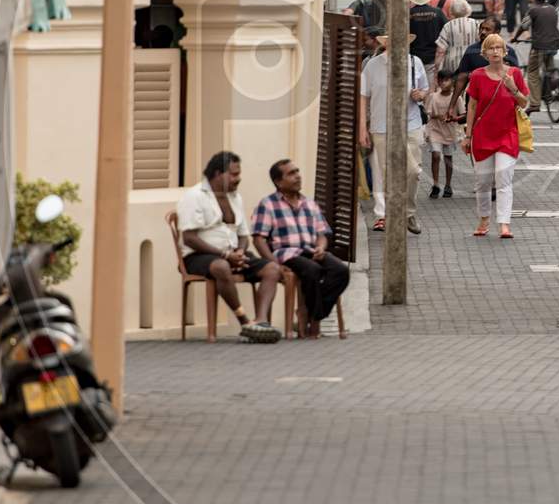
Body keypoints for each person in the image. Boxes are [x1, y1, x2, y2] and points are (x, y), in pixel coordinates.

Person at [177, 152, 285, 343]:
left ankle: (260, 322)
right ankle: (245, 322)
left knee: (272, 268)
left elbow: (243, 234)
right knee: (221, 267)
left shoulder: (235, 197)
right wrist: (225, 255)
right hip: (198, 256)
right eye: (234, 174)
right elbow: (189, 238)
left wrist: (240, 251)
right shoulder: (194, 196)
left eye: (238, 174)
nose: (238, 178)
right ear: (218, 174)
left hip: (233, 254)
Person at [251, 160, 350, 338]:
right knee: (313, 270)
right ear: (278, 182)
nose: (298, 176)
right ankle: (314, 321)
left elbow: (322, 233)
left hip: (311, 251)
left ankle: (311, 314)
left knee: (340, 271)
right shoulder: (268, 204)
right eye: (291, 173)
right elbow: (259, 239)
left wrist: (320, 247)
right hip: (286, 253)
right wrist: (273, 262)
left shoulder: (309, 204)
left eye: (297, 171)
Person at [462, 33, 531, 240]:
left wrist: (513, 89)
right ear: (484, 53)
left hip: (507, 134)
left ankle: (504, 223)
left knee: (504, 178)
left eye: (498, 48)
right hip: (482, 135)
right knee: (482, 181)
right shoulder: (477, 76)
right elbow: (472, 106)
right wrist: (467, 135)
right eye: (490, 48)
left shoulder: (515, 74)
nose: (495, 51)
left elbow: (524, 102)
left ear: (505, 52)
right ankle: (484, 218)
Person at [359, 33, 427, 234]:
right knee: (388, 174)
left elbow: (424, 89)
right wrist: (362, 128)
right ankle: (392, 217)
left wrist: (420, 95)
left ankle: (408, 212)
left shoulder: (415, 62)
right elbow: (363, 97)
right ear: (386, 44)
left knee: (414, 172)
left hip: (411, 125)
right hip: (382, 127)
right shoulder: (373, 65)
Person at [516, 0, 559, 105]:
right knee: (548, 68)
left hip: (540, 45)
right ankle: (549, 90)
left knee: (532, 72)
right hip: (554, 44)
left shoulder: (533, 10)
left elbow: (524, 26)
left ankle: (535, 103)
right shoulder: (553, 9)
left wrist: (515, 37)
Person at [424, 72, 461, 199]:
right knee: (435, 155)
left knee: (448, 158)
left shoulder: (456, 98)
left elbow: (462, 114)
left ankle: (448, 185)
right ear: (438, 82)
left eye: (447, 80)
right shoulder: (433, 97)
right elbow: (429, 113)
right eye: (442, 80)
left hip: (450, 132)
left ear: (452, 82)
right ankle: (435, 184)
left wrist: (453, 118)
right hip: (435, 130)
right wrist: (438, 116)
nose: (444, 83)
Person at [407, 0, 448, 89]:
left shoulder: (408, 14)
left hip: (413, 57)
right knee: (429, 89)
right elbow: (446, 31)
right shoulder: (437, 13)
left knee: (414, 88)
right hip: (432, 58)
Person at [435, 0, 479, 82]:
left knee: (454, 90)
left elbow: (440, 51)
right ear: (467, 9)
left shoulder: (448, 26)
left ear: (452, 11)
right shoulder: (476, 24)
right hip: (472, 62)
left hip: (452, 64)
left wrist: (436, 71)